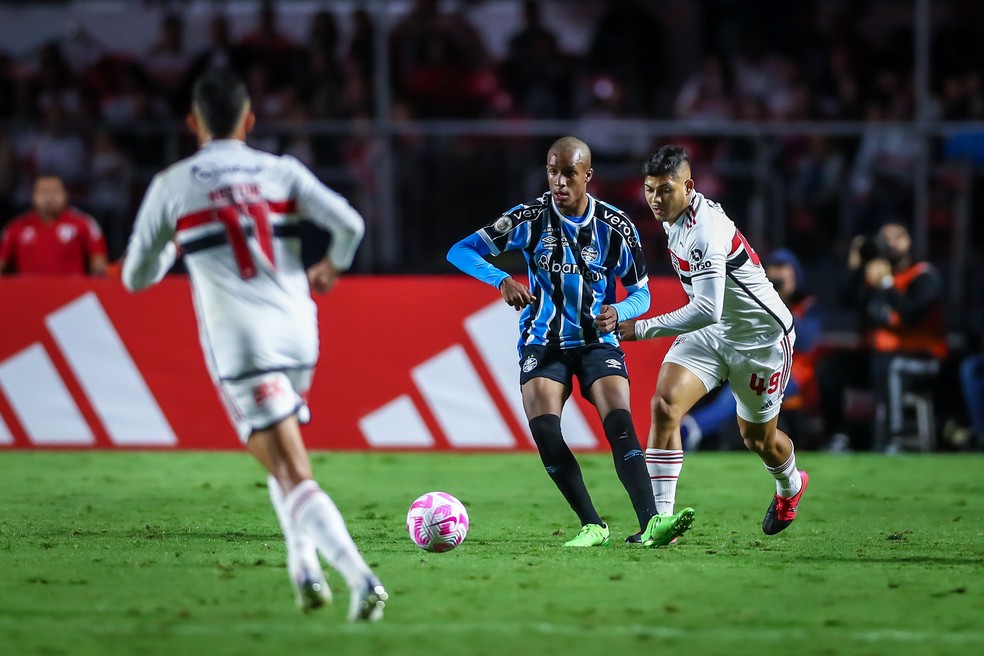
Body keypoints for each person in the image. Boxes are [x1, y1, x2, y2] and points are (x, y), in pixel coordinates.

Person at [121, 69, 386, 621]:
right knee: (280, 457)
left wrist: (172, 246)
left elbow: (135, 277)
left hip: (243, 344)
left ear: (193, 123)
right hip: (300, 332)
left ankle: (361, 579)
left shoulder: (173, 183)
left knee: (291, 468)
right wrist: (332, 267)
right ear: (249, 120)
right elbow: (351, 225)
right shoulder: (280, 170)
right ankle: (303, 569)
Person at [447, 136, 684, 548]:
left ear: (588, 176)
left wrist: (620, 311)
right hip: (543, 341)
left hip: (597, 341)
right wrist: (501, 279)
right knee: (545, 430)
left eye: (569, 173)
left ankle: (651, 524)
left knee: (620, 422)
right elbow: (460, 251)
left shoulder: (615, 227)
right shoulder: (529, 218)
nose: (559, 181)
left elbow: (641, 293)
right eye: (552, 172)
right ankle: (593, 524)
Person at [618, 145, 808, 538]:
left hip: (760, 341)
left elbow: (707, 308)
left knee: (757, 439)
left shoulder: (704, 231)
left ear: (688, 187)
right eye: (650, 189)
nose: (655, 199)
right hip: (713, 333)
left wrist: (640, 328)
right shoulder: (674, 218)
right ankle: (659, 523)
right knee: (664, 405)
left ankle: (790, 485)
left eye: (665, 189)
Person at [817, 223, 947, 451]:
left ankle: (893, 440)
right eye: (884, 238)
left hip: (923, 359)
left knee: (891, 366)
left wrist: (886, 284)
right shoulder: (873, 276)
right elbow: (844, 300)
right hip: (877, 358)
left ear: (909, 241)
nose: (890, 243)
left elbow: (912, 314)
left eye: (897, 237)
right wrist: (856, 265)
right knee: (830, 368)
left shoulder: (922, 275)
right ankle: (838, 436)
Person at [0, 174, 108, 276]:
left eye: (54, 191)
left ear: (65, 195)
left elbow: (99, 265)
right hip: (28, 289)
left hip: (70, 289)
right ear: (33, 196)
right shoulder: (16, 226)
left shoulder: (84, 223)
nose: (49, 197)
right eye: (43, 192)